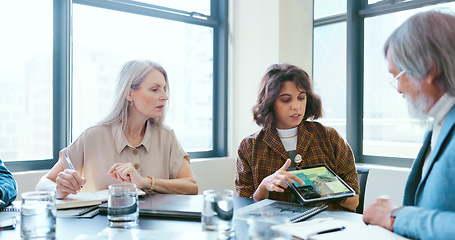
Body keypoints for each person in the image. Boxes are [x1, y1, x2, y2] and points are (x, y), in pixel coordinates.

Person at [36, 60, 198, 199]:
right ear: (128, 93)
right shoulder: (94, 135)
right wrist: (58, 189)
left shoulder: (166, 136)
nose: (165, 96)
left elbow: (191, 185)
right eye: (155, 89)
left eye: (164, 88)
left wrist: (146, 182)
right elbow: (43, 184)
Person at [362, 10, 455, 240]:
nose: (399, 89)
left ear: (428, 69)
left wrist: (396, 216)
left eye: (397, 75)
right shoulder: (439, 124)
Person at [235, 63, 360, 211]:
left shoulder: (330, 138)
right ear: (270, 102)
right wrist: (264, 186)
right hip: (275, 230)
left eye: (301, 97)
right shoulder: (249, 147)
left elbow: (354, 203)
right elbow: (244, 209)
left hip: (324, 228)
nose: (296, 106)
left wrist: (327, 188)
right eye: (286, 100)